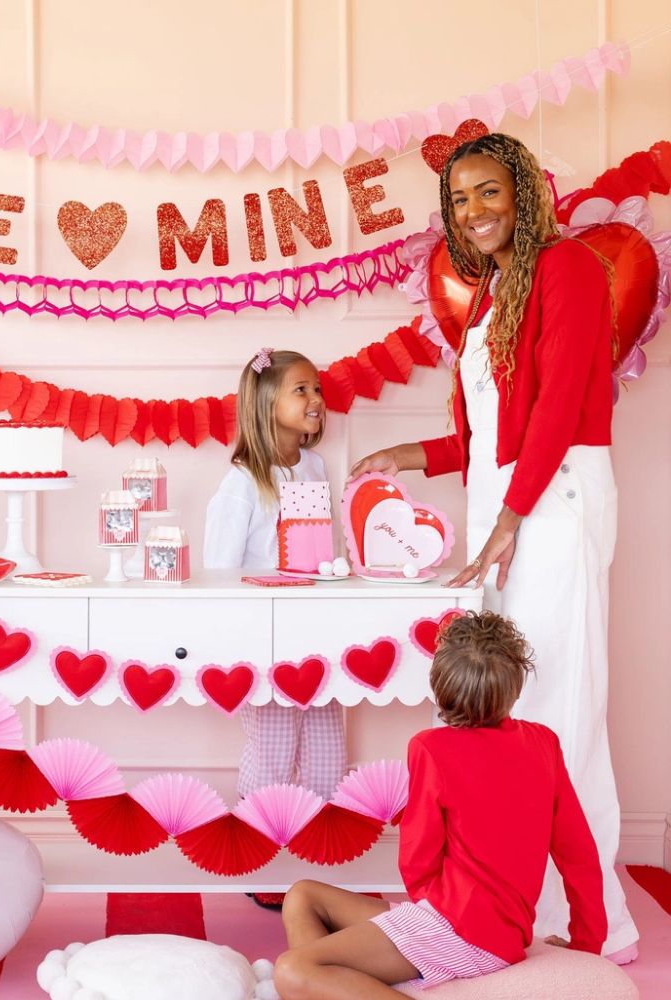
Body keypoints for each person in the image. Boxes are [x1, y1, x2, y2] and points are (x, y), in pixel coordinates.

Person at [348, 132, 637, 960]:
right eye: (460, 198)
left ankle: (595, 927)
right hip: (508, 505)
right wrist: (412, 455)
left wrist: (512, 518)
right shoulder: (493, 291)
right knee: (514, 715)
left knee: (559, 708)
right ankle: (519, 912)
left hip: (553, 503)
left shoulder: (568, 268)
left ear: (524, 193)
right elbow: (492, 435)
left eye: (488, 191)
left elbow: (557, 408)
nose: (474, 210)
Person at [274, 611, 606, 999]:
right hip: (472, 924)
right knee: (303, 896)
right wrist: (587, 944)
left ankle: (330, 984)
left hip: (457, 930)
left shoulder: (431, 748)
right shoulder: (543, 743)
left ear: (441, 688)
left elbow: (417, 861)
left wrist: (434, 919)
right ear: (514, 689)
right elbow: (579, 854)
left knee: (291, 969)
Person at [204, 349, 346, 909]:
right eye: (301, 390)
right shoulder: (243, 481)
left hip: (316, 627)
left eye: (317, 390)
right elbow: (219, 569)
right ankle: (259, 850)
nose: (316, 400)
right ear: (267, 404)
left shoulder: (315, 467)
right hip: (263, 632)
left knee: (328, 746)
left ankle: (315, 859)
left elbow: (322, 544)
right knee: (274, 745)